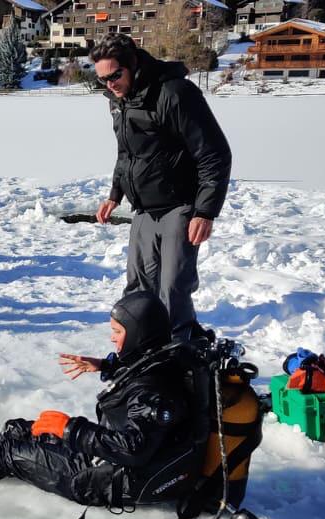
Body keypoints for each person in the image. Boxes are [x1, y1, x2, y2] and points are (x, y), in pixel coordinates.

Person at [0, 292, 200, 510]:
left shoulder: (153, 390)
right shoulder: (160, 358)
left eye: (118, 332)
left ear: (139, 334)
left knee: (8, 451)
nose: (112, 338)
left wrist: (70, 428)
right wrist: (104, 365)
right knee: (16, 429)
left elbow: (133, 449)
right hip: (107, 461)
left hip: (107, 479)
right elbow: (138, 369)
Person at [91, 33, 232, 341]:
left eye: (115, 75)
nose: (110, 85)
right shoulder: (120, 102)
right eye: (103, 79)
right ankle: (141, 355)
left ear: (134, 64)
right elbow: (128, 152)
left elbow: (214, 153)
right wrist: (115, 194)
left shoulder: (174, 93)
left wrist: (205, 211)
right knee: (138, 290)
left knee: (173, 290)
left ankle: (181, 362)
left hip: (180, 207)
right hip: (144, 209)